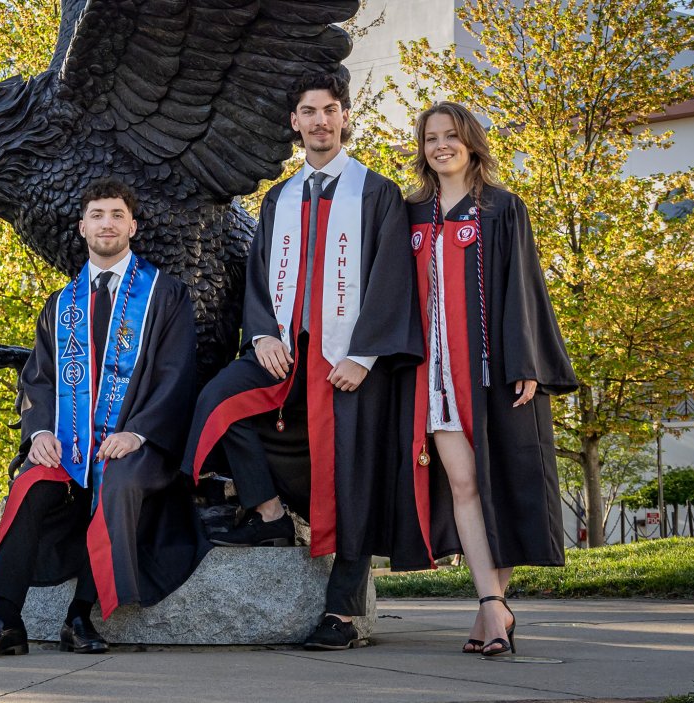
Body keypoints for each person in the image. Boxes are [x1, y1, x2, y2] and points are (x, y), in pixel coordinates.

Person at [182, 71, 422, 651]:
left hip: (349, 359)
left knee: (352, 475)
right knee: (219, 400)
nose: (319, 121)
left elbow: (392, 281)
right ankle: (267, 512)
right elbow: (259, 275)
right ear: (295, 122)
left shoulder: (375, 192)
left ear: (344, 118)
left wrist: (365, 355)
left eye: (330, 110)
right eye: (309, 111)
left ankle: (342, 614)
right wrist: (260, 333)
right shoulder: (280, 197)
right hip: (287, 353)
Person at [0, 178, 207, 659]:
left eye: (116, 214)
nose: (107, 223)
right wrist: (42, 432)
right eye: (97, 214)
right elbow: (39, 379)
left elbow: (177, 374)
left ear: (133, 225)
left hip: (135, 446)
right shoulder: (61, 305)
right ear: (82, 227)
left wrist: (138, 432)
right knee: (30, 484)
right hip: (69, 445)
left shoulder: (165, 295)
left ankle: (81, 615)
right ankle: (5, 620)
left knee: (114, 481)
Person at [396, 101, 577, 656]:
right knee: (464, 484)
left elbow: (524, 288)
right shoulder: (411, 213)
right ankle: (491, 607)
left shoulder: (502, 208)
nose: (441, 146)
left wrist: (527, 363)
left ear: (472, 141)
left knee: (504, 481)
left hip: (494, 371)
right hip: (436, 378)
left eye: (451, 135)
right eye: (431, 138)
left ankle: (492, 610)